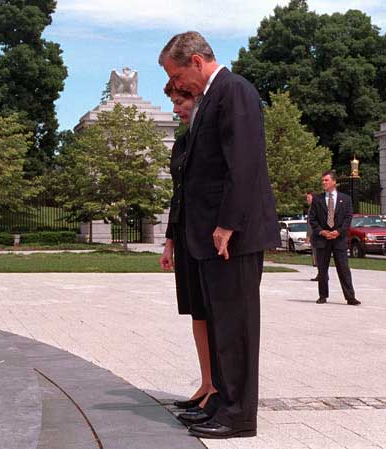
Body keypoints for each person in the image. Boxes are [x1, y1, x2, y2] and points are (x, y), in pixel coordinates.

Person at [158, 31, 280, 439]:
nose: (176, 86)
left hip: (234, 236)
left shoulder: (234, 91)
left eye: (177, 76)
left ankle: (239, 415)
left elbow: (243, 163)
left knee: (237, 328)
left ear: (196, 61)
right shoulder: (212, 97)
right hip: (212, 238)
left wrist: (227, 224)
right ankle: (220, 403)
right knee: (221, 326)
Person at [160, 80, 217, 411]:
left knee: (211, 312)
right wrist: (169, 242)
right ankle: (206, 383)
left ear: (196, 99)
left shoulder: (206, 137)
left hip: (206, 235)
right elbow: (177, 195)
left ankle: (218, 387)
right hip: (184, 235)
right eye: (173, 102)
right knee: (196, 311)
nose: (176, 108)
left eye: (181, 101)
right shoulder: (181, 141)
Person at [308, 170, 361, 305]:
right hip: (322, 240)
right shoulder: (317, 199)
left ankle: (350, 297)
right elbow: (312, 219)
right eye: (322, 180)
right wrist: (322, 232)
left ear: (334, 182)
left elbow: (348, 218)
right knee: (322, 269)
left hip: (339, 240)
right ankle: (323, 296)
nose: (323, 182)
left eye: (326, 180)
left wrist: (338, 232)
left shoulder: (346, 199)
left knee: (343, 269)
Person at [305, 191, 319, 281]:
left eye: (309, 198)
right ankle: (321, 273)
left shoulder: (313, 209)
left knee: (317, 254)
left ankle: (322, 274)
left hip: (315, 235)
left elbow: (311, 224)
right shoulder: (314, 208)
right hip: (316, 234)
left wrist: (308, 236)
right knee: (317, 254)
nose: (307, 200)